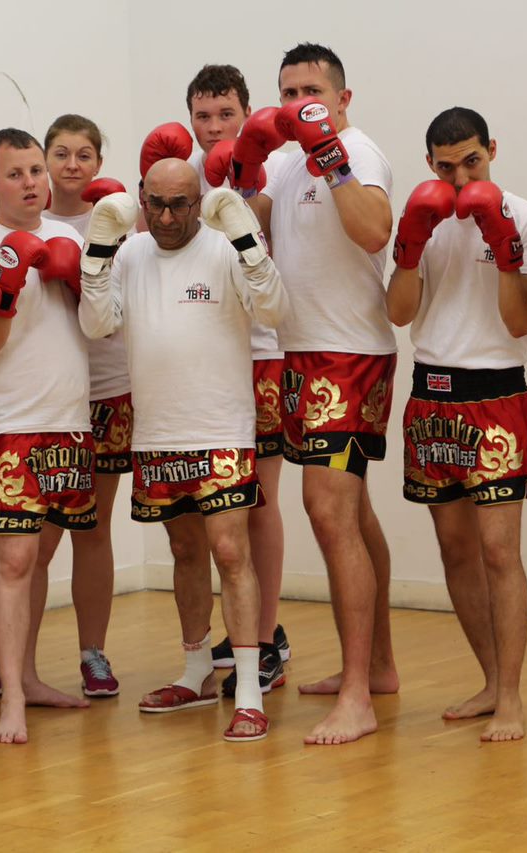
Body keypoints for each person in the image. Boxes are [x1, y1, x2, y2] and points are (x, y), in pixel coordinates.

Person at [80, 159, 288, 741]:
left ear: (200, 202)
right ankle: (195, 670)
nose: (167, 217)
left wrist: (247, 238)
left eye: (180, 205)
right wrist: (96, 253)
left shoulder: (224, 248)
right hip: (157, 431)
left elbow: (274, 310)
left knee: (229, 549)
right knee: (184, 550)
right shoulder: (129, 254)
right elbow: (97, 325)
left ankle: (247, 689)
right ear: (141, 200)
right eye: (155, 204)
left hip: (220, 427)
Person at [246, 43, 397, 744]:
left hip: (351, 354)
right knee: (353, 512)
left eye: (311, 89)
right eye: (287, 91)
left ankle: (360, 694)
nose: (298, 100)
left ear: (342, 97)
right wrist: (244, 168)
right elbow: (249, 238)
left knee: (326, 509)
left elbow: (374, 230)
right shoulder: (278, 158)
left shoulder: (359, 150)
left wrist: (327, 153)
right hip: (300, 352)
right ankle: (379, 667)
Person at [385, 108, 527, 741]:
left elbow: (520, 322)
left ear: (492, 151)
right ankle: (489, 680)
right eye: (446, 166)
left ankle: (513, 697)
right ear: (430, 164)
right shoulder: (423, 210)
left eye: (471, 162)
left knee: (500, 552)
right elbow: (400, 314)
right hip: (431, 394)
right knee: (455, 551)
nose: (459, 176)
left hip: (497, 392)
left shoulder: (526, 217)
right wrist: (408, 246)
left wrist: (504, 248)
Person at [0, 128, 94, 744]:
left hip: (68, 419)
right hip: (6, 424)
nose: (32, 182)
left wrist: (86, 283)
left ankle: (30, 676)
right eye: (15, 174)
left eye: (36, 170)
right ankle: (10, 696)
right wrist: (7, 287)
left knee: (42, 555)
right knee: (13, 558)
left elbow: (103, 331)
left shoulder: (73, 238)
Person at [183, 63, 292, 697]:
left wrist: (241, 180)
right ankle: (233, 632)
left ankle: (269, 635)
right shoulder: (180, 174)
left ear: (247, 115)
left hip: (262, 350)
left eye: (227, 114)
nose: (215, 126)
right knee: (214, 507)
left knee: (261, 501)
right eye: (204, 115)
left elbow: (262, 229)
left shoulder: (271, 165)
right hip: (204, 355)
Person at [28, 113, 126, 698]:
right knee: (33, 537)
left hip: (107, 388)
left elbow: (123, 311)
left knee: (91, 528)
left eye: (84, 154)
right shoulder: (24, 222)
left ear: (97, 162)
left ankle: (94, 653)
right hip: (43, 395)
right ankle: (11, 653)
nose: (71, 165)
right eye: (60, 154)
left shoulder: (115, 221)